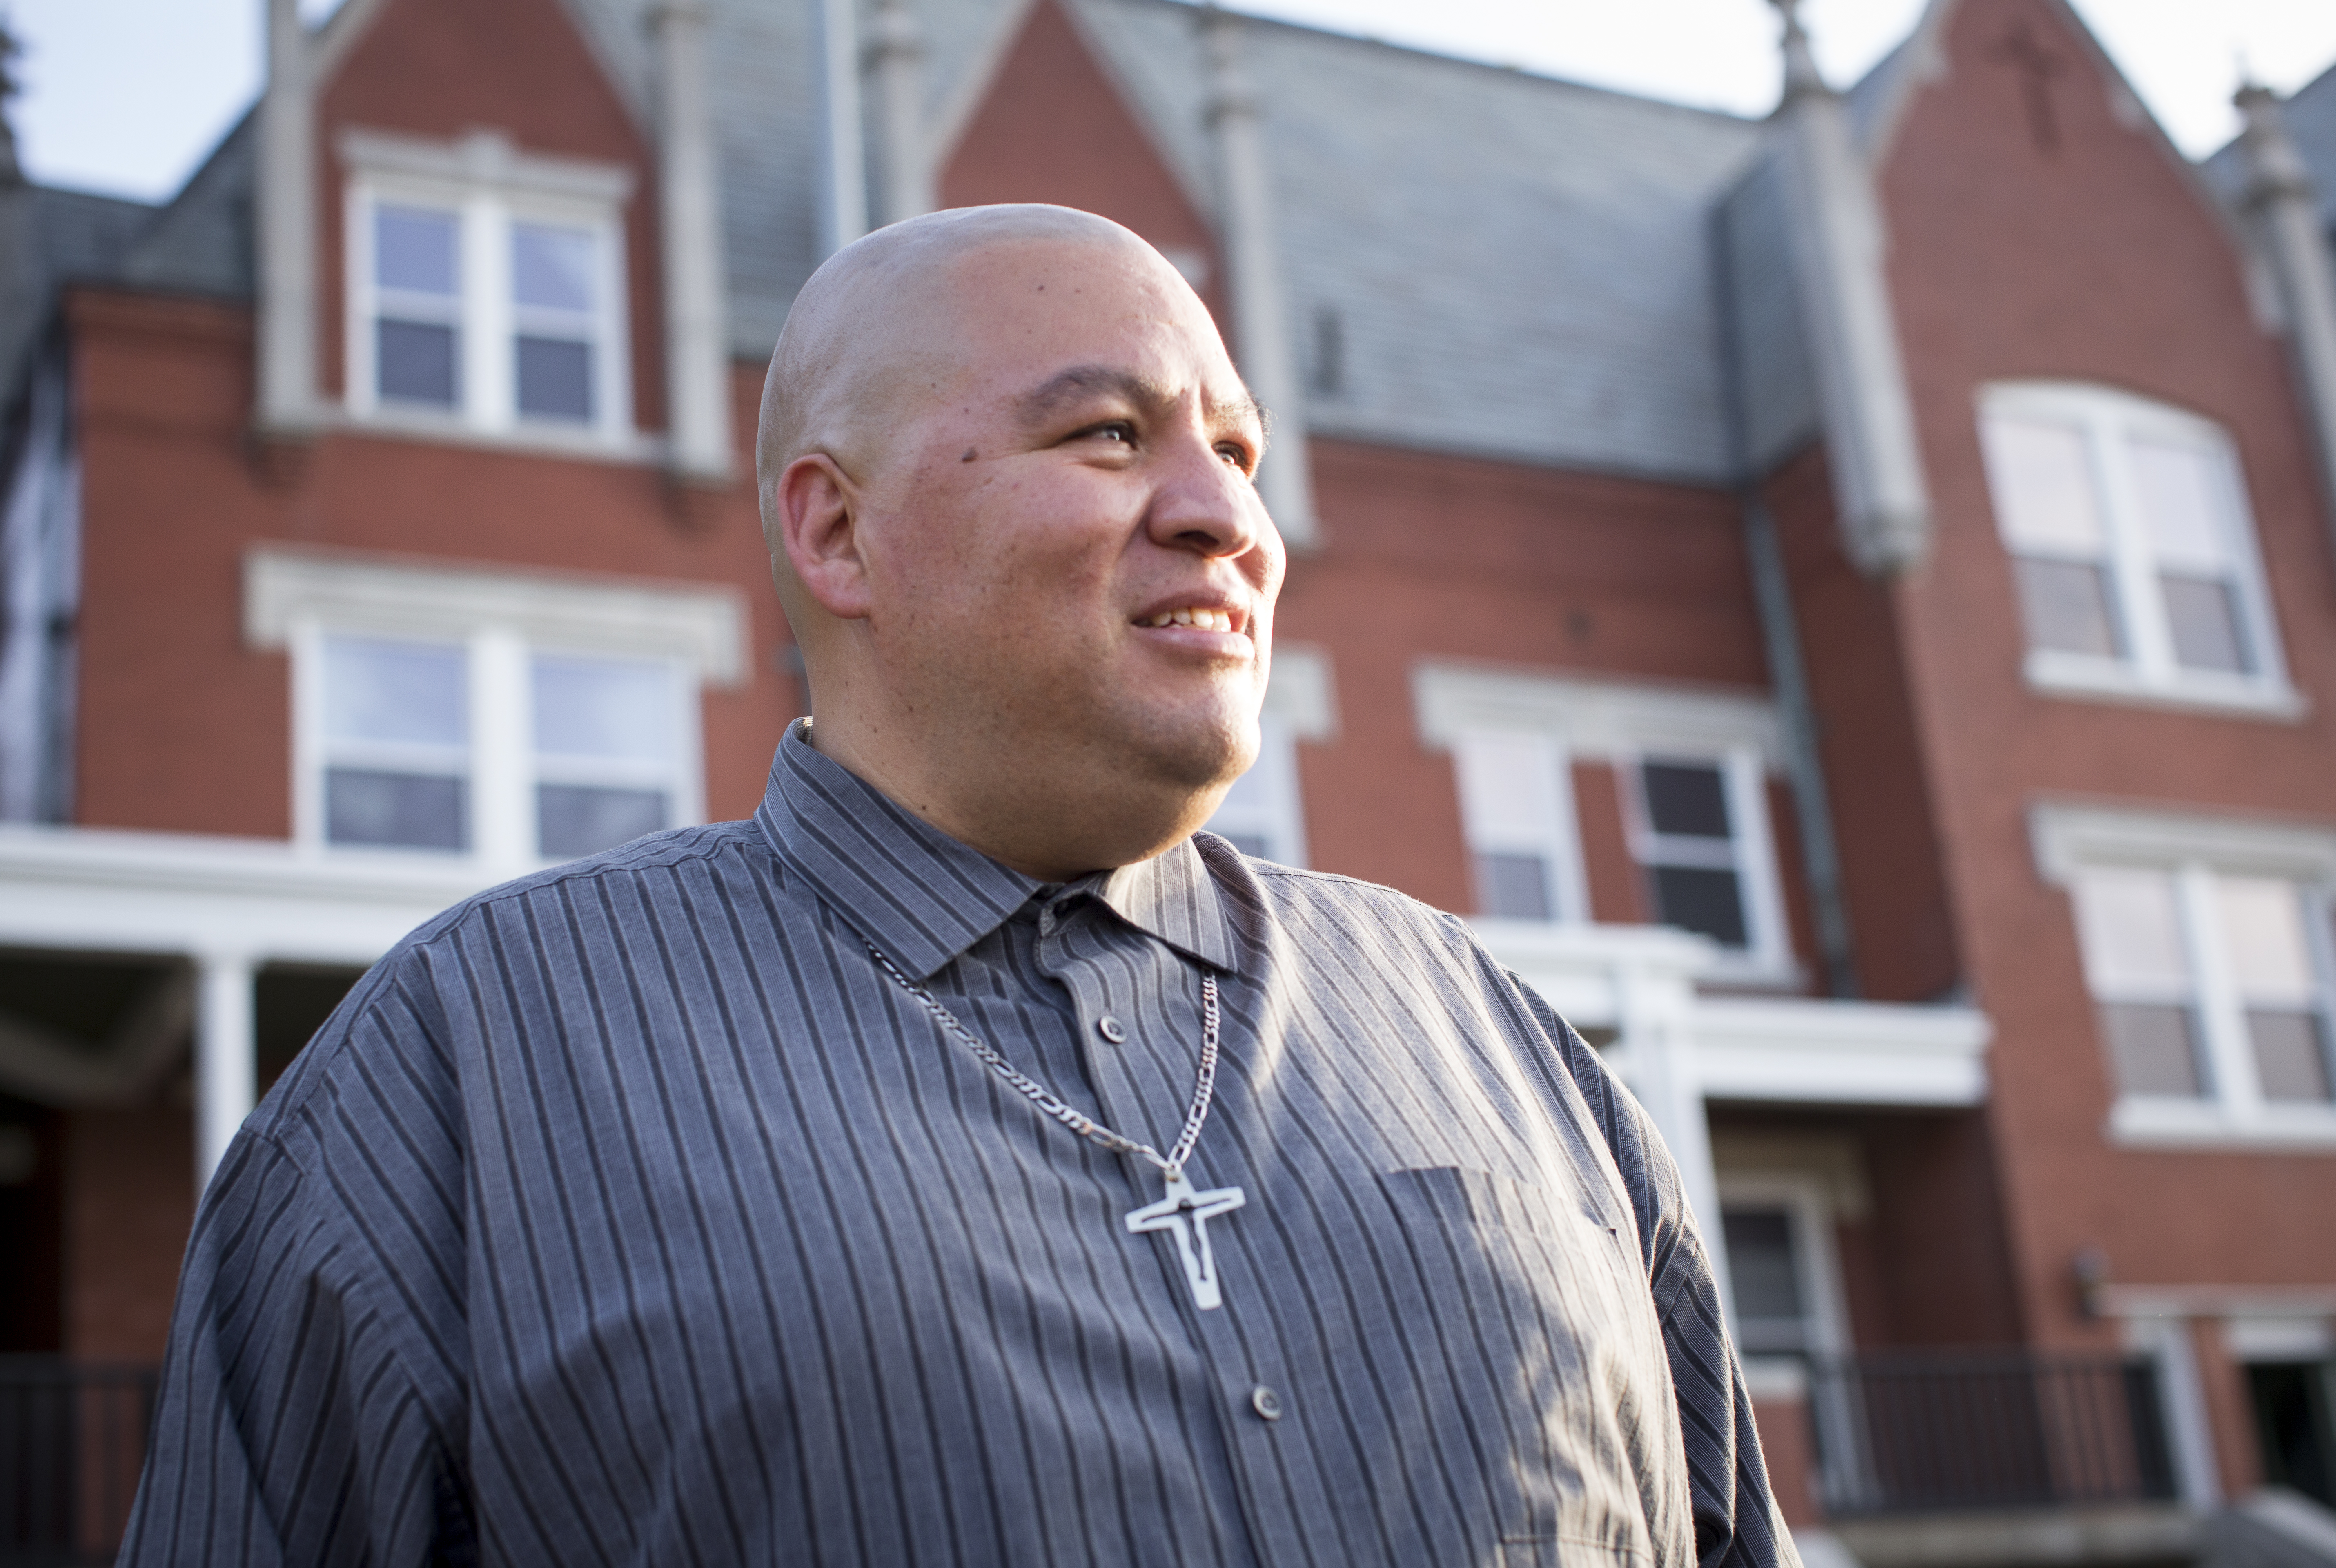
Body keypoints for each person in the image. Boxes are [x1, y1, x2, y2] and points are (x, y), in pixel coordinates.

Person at [120, 204, 1794, 1567]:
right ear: (836, 536)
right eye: (1108, 433)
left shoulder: (1478, 1021)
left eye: (1238, 449)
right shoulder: (467, 1067)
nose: (1230, 518)